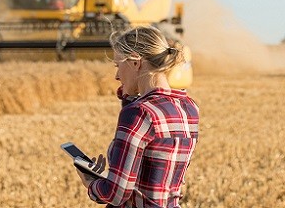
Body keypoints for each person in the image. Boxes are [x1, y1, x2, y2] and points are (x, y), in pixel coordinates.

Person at [75, 26, 199, 207]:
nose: (117, 75)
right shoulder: (189, 108)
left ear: (135, 62)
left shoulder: (139, 113)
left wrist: (91, 182)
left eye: (118, 65)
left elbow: (116, 194)